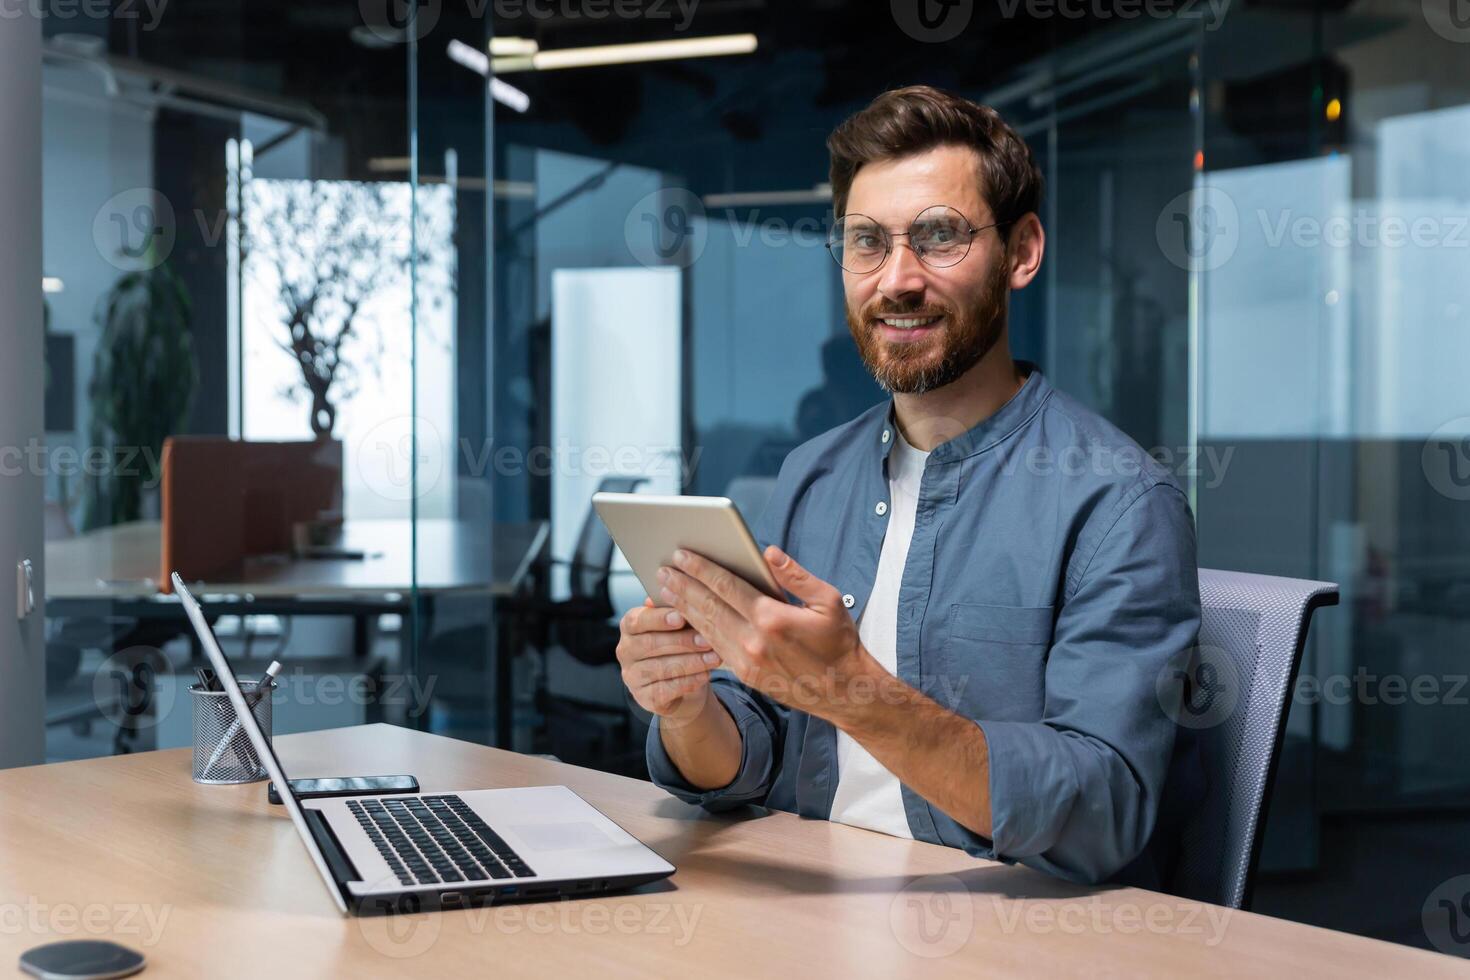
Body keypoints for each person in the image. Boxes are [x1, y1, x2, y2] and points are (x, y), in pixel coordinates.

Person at [615, 85, 1202, 887]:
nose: (897, 279)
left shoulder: (1119, 503)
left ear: (1022, 252)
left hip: (1008, 930)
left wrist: (852, 692)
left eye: (939, 237)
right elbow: (747, 753)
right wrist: (686, 710)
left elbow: (1101, 809)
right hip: (807, 903)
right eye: (867, 242)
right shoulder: (810, 475)